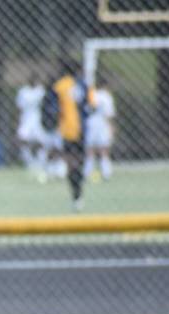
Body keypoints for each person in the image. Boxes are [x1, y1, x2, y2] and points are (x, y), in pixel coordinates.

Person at [50, 60, 94, 211]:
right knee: (79, 162)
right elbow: (92, 106)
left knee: (70, 162)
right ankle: (79, 192)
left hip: (66, 130)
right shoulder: (84, 85)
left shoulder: (59, 86)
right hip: (82, 130)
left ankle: (76, 195)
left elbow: (54, 109)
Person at [83, 76, 116, 182]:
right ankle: (106, 173)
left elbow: (86, 110)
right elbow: (109, 115)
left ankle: (86, 173)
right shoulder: (107, 97)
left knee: (90, 150)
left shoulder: (92, 94)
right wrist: (112, 128)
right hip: (102, 125)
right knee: (104, 150)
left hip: (91, 124)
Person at [15, 73, 46, 173]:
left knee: (42, 142)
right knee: (22, 140)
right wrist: (17, 122)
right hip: (25, 120)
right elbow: (19, 108)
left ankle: (41, 162)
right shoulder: (23, 92)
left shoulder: (41, 91)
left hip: (37, 121)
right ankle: (28, 161)